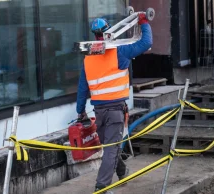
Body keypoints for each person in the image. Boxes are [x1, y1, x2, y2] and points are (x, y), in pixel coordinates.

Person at [76, 13, 153, 194]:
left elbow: (82, 88)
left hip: (99, 112)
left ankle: (122, 171)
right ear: (109, 32)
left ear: (95, 35)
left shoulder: (88, 59)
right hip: (115, 111)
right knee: (111, 149)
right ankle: (101, 187)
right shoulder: (120, 52)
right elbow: (145, 43)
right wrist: (144, 22)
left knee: (109, 146)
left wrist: (80, 112)